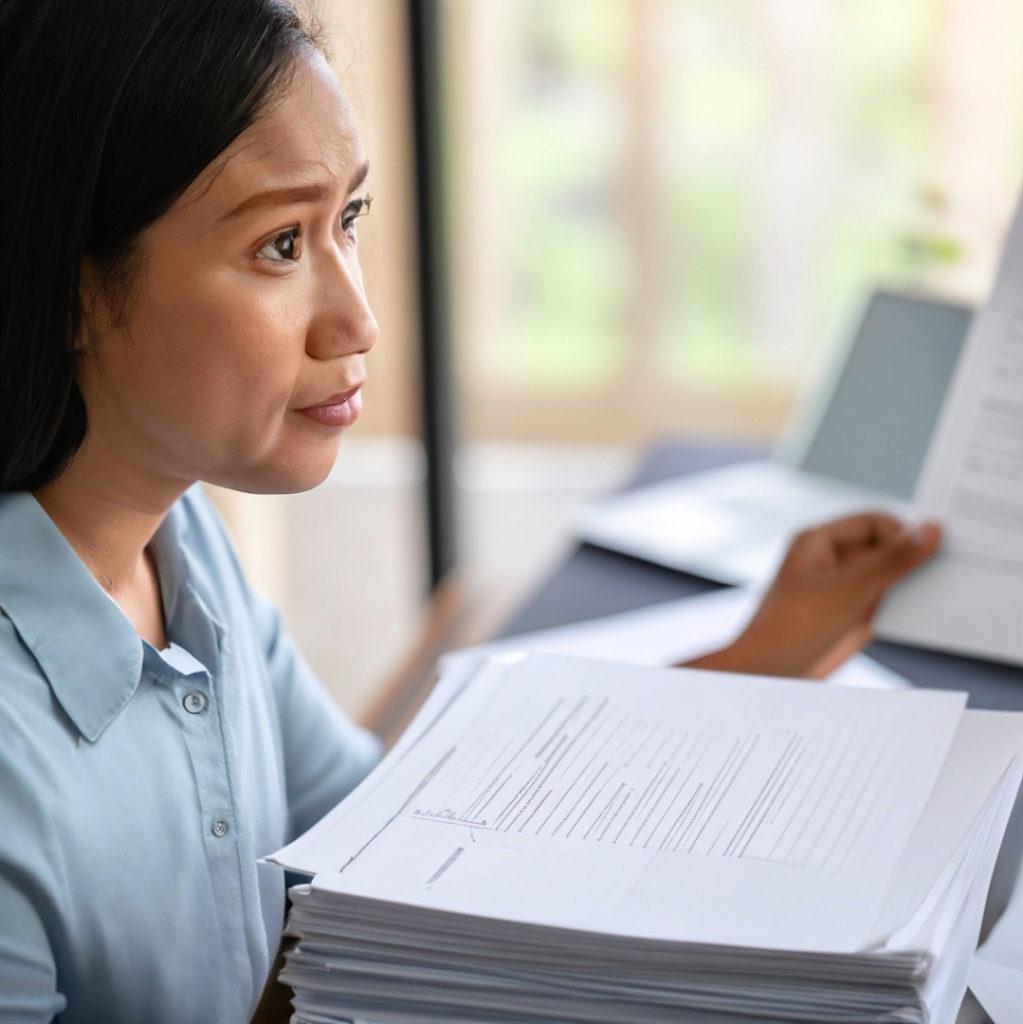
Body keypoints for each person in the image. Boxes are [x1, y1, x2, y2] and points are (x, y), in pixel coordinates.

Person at [0, 1, 941, 1021]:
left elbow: (400, 833)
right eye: (279, 244)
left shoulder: (182, 553)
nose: (356, 317)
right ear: (71, 290)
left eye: (345, 221)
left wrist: (755, 656)